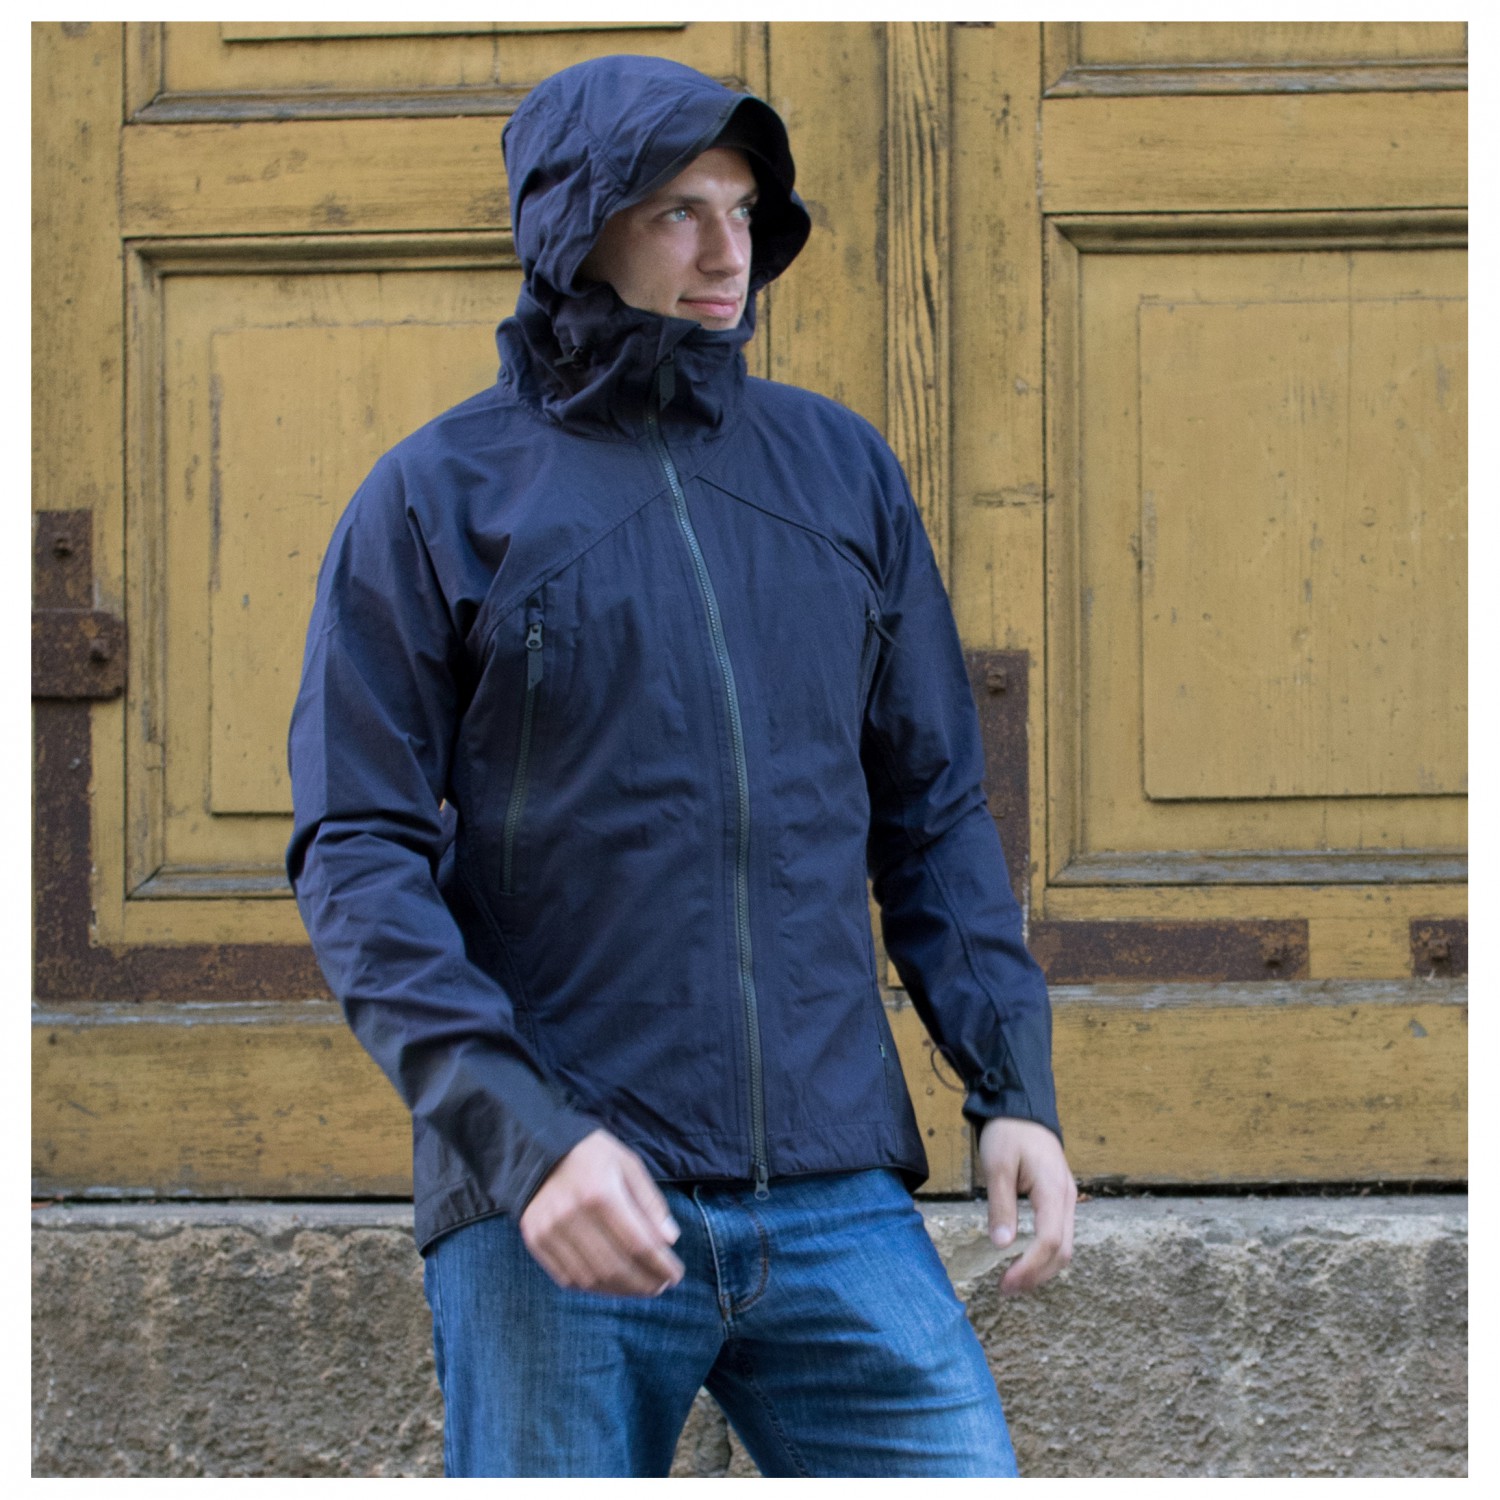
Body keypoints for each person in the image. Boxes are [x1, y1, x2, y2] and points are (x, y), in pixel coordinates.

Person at [288, 54, 1075, 1479]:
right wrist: (520, 1135)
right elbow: (356, 853)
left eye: (746, 211)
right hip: (560, 1200)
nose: (730, 254)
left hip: (834, 1192)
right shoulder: (436, 496)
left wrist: (1011, 1081)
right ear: (574, 227)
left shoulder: (840, 471)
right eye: (677, 213)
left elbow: (932, 808)